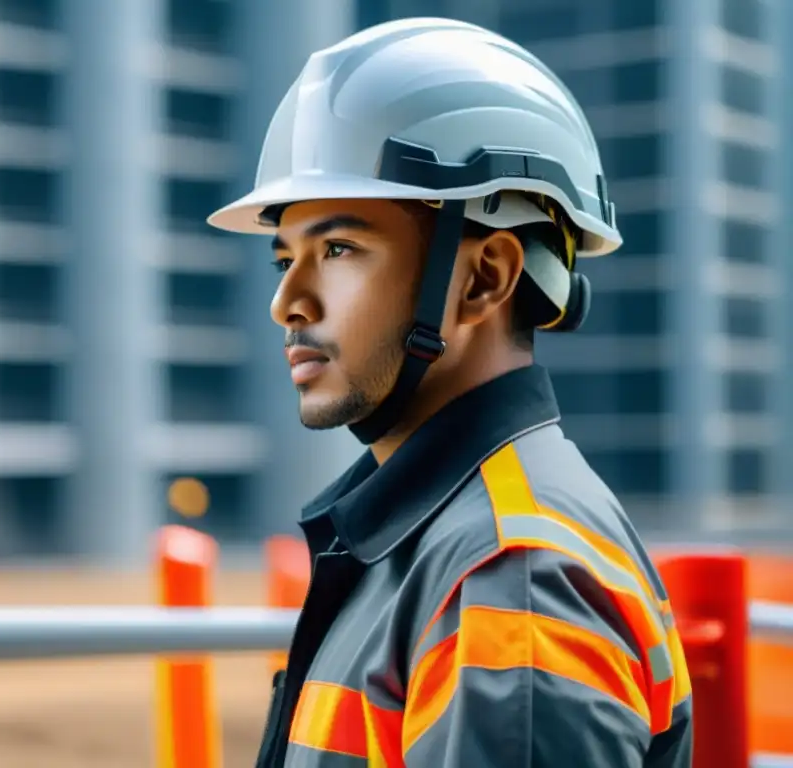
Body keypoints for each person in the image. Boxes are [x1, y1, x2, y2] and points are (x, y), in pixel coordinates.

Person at [207, 17, 693, 768]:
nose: (289, 303)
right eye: (285, 260)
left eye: (338, 249)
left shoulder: (512, 576)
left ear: (485, 277)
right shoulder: (435, 536)